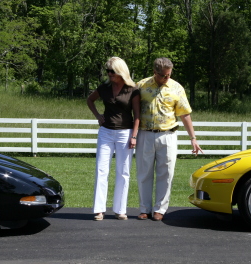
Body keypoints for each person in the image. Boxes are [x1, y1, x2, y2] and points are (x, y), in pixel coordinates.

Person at [135, 57, 203, 221]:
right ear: (155, 72)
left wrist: (193, 138)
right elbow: (132, 110)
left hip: (168, 135)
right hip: (145, 133)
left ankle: (160, 209)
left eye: (169, 75)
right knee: (144, 173)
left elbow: (185, 114)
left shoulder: (176, 87)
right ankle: (145, 208)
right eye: (164, 75)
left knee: (166, 174)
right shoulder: (141, 86)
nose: (167, 78)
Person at [87, 57, 140, 221]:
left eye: (112, 71)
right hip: (106, 132)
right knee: (101, 170)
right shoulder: (104, 87)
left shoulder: (133, 89)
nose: (109, 74)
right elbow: (90, 100)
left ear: (121, 72)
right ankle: (99, 210)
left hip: (125, 133)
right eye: (108, 71)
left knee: (123, 172)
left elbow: (137, 115)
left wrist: (134, 136)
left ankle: (120, 209)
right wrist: (98, 116)